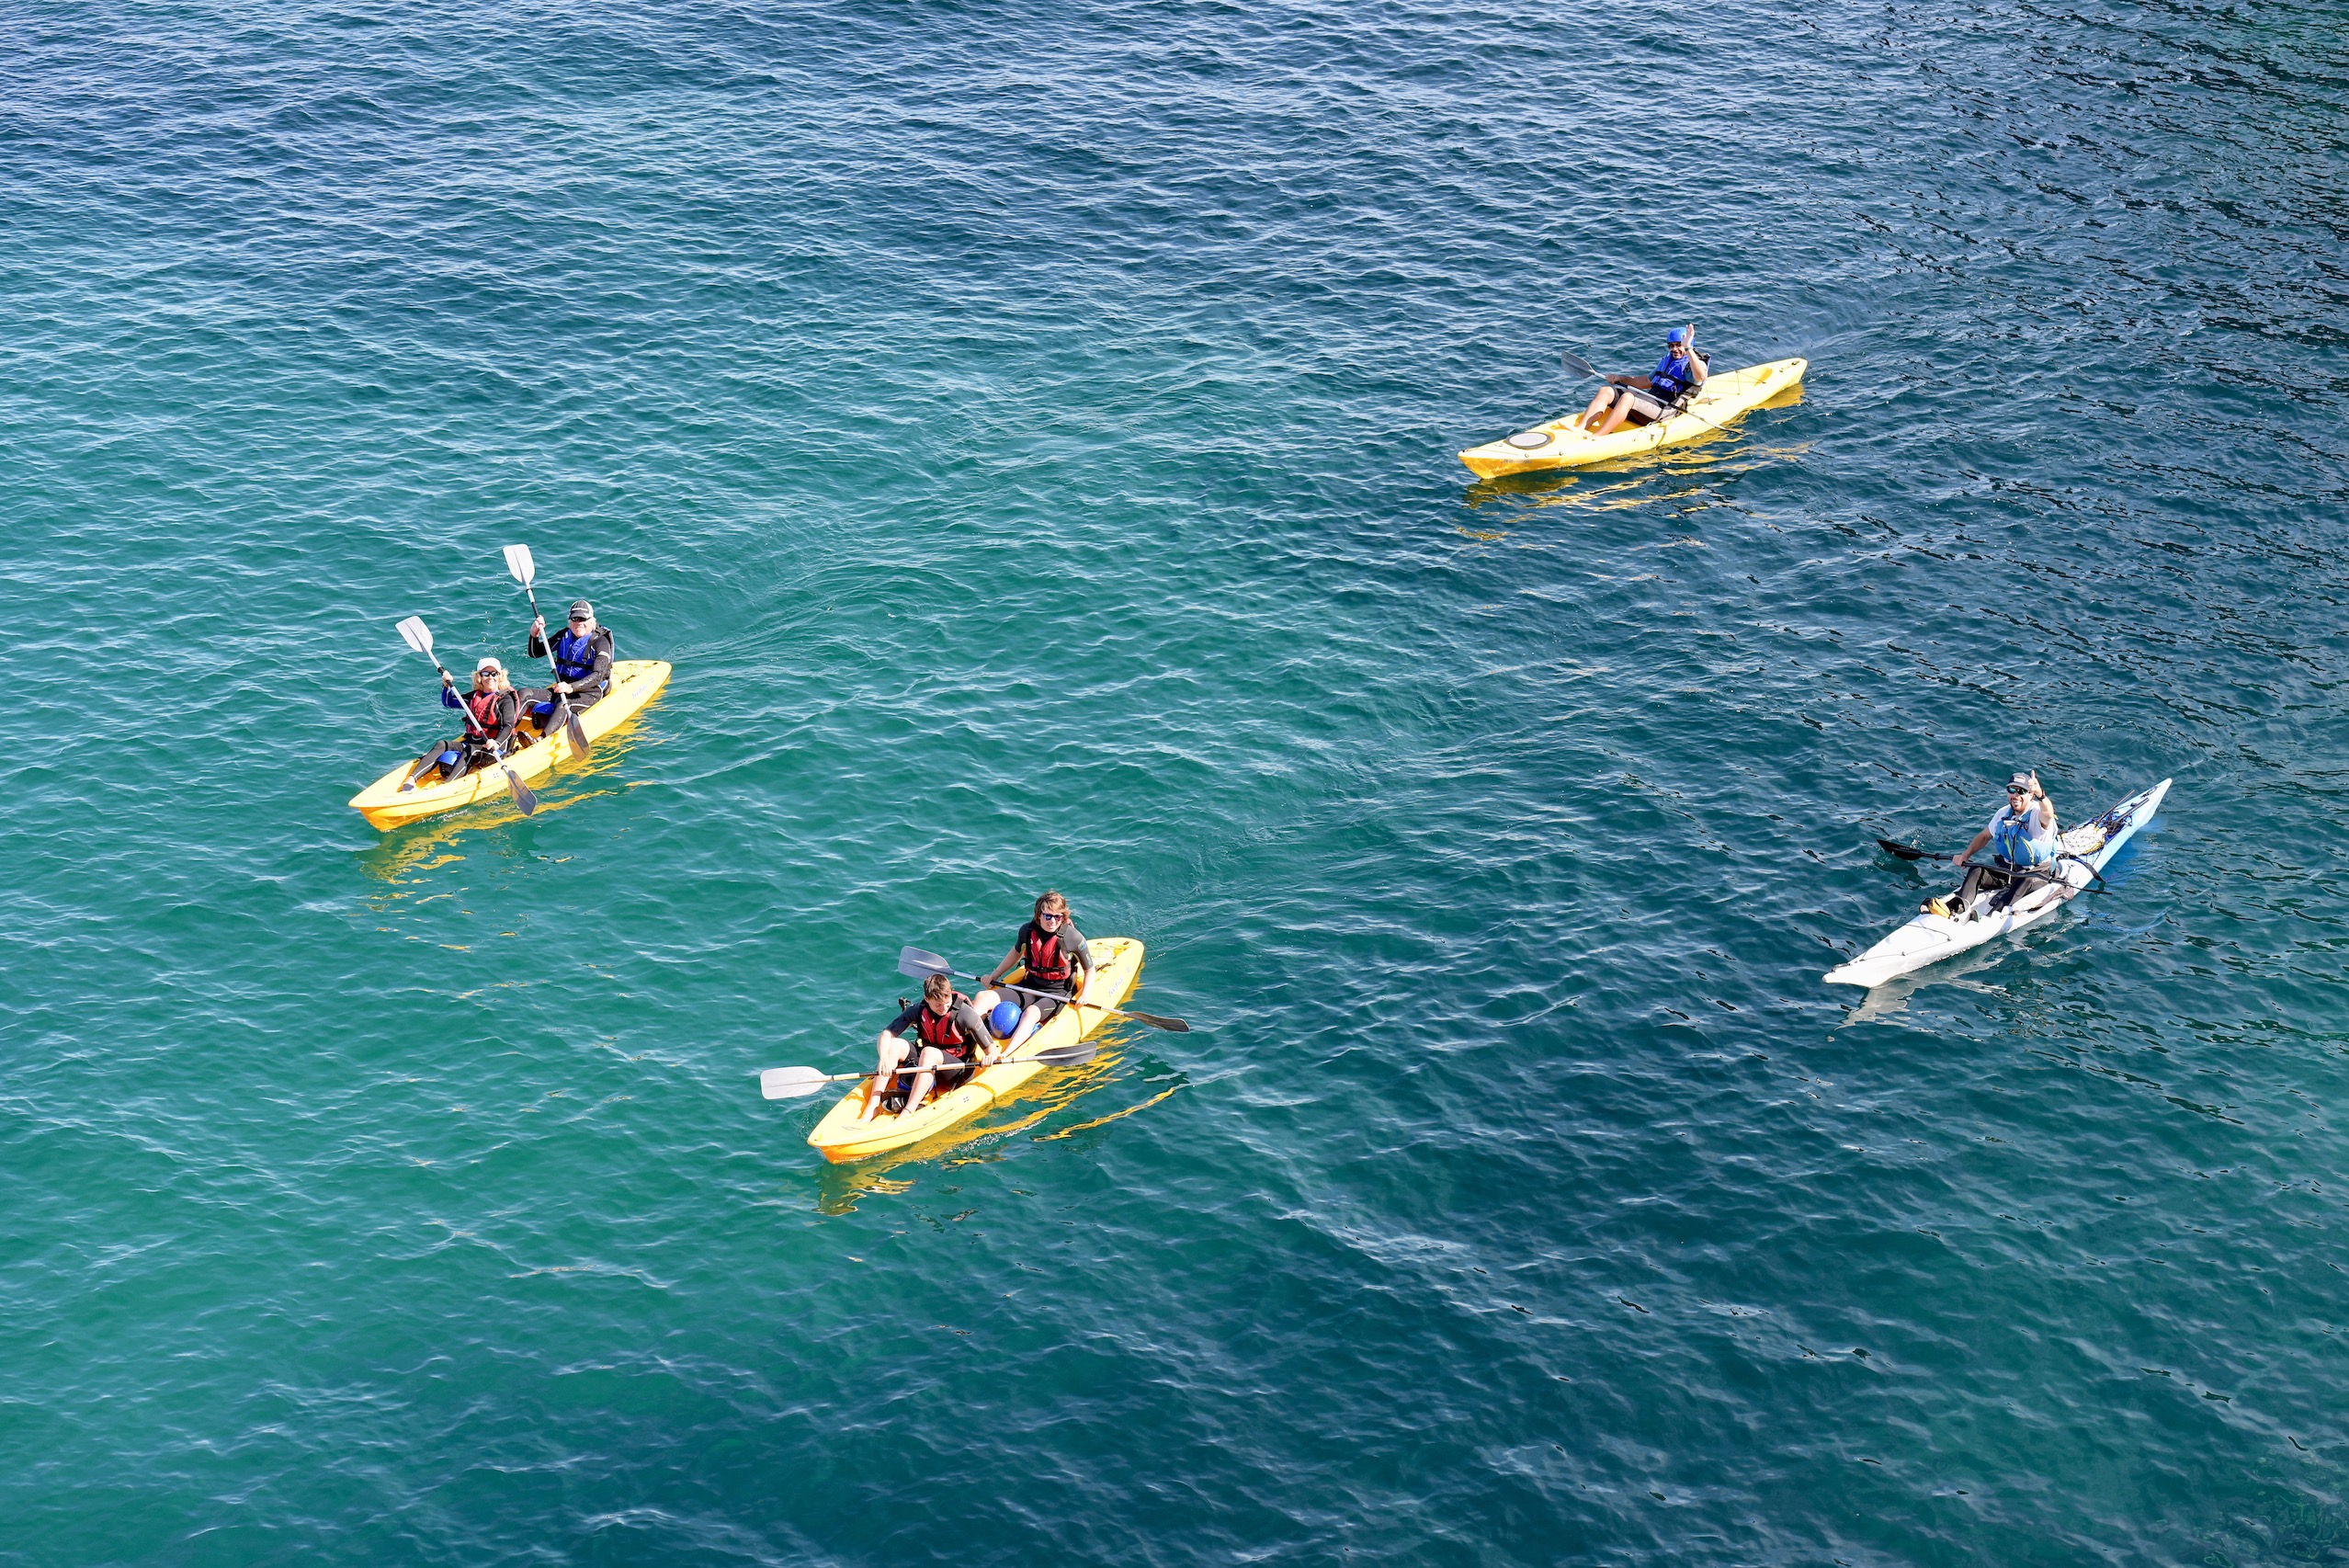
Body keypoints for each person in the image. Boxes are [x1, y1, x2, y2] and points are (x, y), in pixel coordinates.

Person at [861, 971, 993, 1121]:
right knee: (894, 1045)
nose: (944, 1008)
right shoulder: (919, 1010)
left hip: (956, 1071)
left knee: (929, 1052)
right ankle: (873, 1106)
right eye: (938, 1005)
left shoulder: (965, 1014)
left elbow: (991, 1049)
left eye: (947, 1003)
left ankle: (908, 1111)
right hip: (927, 1063)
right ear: (927, 999)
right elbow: (886, 1035)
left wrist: (989, 1056)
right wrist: (884, 1059)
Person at [976, 891, 1096, 1053]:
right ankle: (968, 1039)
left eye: (1058, 917)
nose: (1053, 921)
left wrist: (1085, 994)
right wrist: (994, 975)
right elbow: (1016, 952)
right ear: (1039, 915)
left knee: (1030, 1013)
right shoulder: (1027, 931)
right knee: (983, 997)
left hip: (1056, 993)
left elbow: (1090, 969)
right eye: (1048, 916)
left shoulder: (1072, 937)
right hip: (1029, 984)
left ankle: (1005, 1055)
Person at [1933, 770, 2060, 917]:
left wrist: (2040, 794)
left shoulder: (2037, 814)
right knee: (1977, 870)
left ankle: (1992, 917)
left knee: (2025, 880)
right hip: (2008, 871)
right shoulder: (2003, 814)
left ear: (2031, 795)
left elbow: (2048, 814)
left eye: (2022, 791)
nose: (2016, 795)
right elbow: (1985, 836)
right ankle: (1959, 907)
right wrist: (1965, 855)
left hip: (2036, 874)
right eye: (2012, 790)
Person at [403, 658, 523, 790]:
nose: (490, 677)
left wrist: (497, 742)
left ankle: (446, 786)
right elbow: (449, 702)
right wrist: (446, 686)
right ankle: (411, 779)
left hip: (495, 750)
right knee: (442, 744)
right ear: (479, 677)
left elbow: (508, 726)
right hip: (473, 743)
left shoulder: (505, 700)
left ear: (500, 676)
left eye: (494, 674)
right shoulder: (474, 697)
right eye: (485, 674)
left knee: (471, 750)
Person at [1579, 324, 1708, 437]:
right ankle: (1580, 429)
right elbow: (1646, 381)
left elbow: (1701, 376)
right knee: (1606, 391)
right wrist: (1620, 378)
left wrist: (1688, 348)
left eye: (1679, 345)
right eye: (1671, 346)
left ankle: (1598, 436)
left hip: (1667, 409)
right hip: (1651, 402)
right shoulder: (1668, 360)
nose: (1674, 349)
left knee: (1628, 397)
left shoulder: (1694, 364)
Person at [522, 599, 616, 733]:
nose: (578, 623)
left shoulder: (600, 641)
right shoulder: (564, 636)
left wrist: (572, 687)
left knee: (563, 704)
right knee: (524, 693)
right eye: (574, 618)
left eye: (582, 619)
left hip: (589, 692)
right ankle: (503, 736)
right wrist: (534, 635)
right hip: (562, 690)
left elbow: (598, 676)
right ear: (570, 621)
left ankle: (541, 740)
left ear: (591, 621)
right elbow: (535, 653)